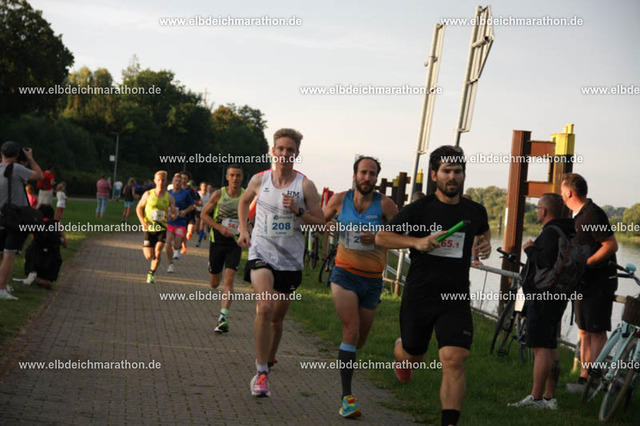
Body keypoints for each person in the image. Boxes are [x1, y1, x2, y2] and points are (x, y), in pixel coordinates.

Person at [375, 145, 491, 426]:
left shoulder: (474, 211)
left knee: (455, 358)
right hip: (420, 295)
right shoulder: (420, 210)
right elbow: (382, 237)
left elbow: (482, 231)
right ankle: (402, 352)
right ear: (434, 175)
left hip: (455, 297)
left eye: (458, 171)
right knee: (413, 355)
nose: (452, 176)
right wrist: (417, 242)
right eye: (446, 171)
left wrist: (483, 243)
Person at [237, 128, 324, 397]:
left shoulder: (305, 186)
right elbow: (244, 202)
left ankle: (269, 359)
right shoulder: (259, 179)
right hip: (261, 252)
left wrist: (298, 211)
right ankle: (261, 371)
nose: (285, 154)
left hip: (290, 260)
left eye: (290, 150)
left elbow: (320, 223)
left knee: (276, 319)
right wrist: (243, 229)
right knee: (264, 307)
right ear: (272, 151)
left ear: (296, 154)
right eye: (281, 149)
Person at [323, 156, 398, 418]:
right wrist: (327, 226)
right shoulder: (338, 200)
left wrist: (378, 238)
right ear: (355, 174)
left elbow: (400, 236)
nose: (367, 178)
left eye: (372, 174)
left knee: (359, 340)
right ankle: (347, 399)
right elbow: (319, 222)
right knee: (351, 331)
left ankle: (347, 354)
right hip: (344, 274)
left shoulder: (386, 205)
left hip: (372, 280)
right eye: (364, 172)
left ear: (376, 178)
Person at [508, 193, 573, 409]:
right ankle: (549, 398)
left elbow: (544, 260)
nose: (536, 211)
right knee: (551, 345)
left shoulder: (550, 233)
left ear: (544, 211)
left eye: (538, 208)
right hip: (558, 295)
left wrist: (530, 249)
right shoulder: (567, 229)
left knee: (540, 347)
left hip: (542, 295)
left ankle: (535, 398)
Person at [561, 173, 618, 392]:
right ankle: (584, 377)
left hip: (599, 282)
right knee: (583, 330)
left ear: (569, 193)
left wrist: (587, 263)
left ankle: (595, 379)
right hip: (582, 282)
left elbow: (611, 245)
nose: (561, 195)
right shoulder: (576, 216)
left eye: (561, 191)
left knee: (596, 330)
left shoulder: (593, 214)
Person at [200, 165, 244, 333]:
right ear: (227, 177)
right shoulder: (219, 194)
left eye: (238, 175)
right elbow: (204, 215)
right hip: (217, 241)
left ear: (242, 178)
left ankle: (223, 317)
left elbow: (252, 217)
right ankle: (212, 266)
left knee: (229, 279)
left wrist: (246, 229)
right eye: (232, 175)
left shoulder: (247, 196)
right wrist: (219, 228)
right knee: (214, 284)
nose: (235, 178)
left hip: (235, 243)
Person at [0, 142, 43, 301]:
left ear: (1, 153)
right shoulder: (17, 169)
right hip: (16, 218)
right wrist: (30, 158)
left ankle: (3, 285)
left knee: (1, 254)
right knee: (10, 254)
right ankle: (2, 289)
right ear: (17, 155)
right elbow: (39, 176)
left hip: (1, 215)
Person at [136, 171, 176, 284]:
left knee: (158, 252)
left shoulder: (169, 197)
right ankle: (148, 249)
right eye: (159, 180)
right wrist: (142, 222)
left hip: (161, 229)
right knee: (149, 256)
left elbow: (174, 213)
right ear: (155, 181)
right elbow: (138, 208)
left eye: (163, 180)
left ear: (166, 181)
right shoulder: (148, 194)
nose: (161, 182)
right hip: (149, 228)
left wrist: (172, 216)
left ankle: (151, 274)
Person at [23, 204, 67, 289]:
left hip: (36, 260)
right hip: (51, 261)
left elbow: (34, 239)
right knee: (48, 283)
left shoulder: (37, 224)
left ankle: (33, 276)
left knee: (31, 249)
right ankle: (42, 280)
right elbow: (65, 244)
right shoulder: (57, 224)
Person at [166, 173, 195, 272]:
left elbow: (192, 205)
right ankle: (170, 263)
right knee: (168, 241)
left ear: (182, 182)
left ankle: (177, 249)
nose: (177, 183)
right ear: (172, 182)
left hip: (180, 222)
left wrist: (185, 211)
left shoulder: (185, 193)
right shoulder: (168, 193)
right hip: (170, 222)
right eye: (176, 181)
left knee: (176, 244)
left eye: (179, 181)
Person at [180, 172, 201, 253]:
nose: (183, 180)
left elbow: (200, 202)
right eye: (182, 178)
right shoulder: (177, 189)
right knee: (183, 231)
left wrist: (193, 201)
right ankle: (184, 245)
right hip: (181, 213)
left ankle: (189, 234)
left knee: (190, 231)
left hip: (190, 213)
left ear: (188, 180)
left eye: (185, 179)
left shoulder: (191, 190)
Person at [197, 183, 213, 247]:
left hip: (205, 212)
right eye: (203, 186)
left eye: (205, 186)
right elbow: (194, 201)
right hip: (198, 211)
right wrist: (196, 205)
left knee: (202, 224)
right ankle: (203, 233)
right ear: (200, 187)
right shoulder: (198, 194)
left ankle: (199, 241)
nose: (204, 187)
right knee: (197, 228)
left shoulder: (209, 195)